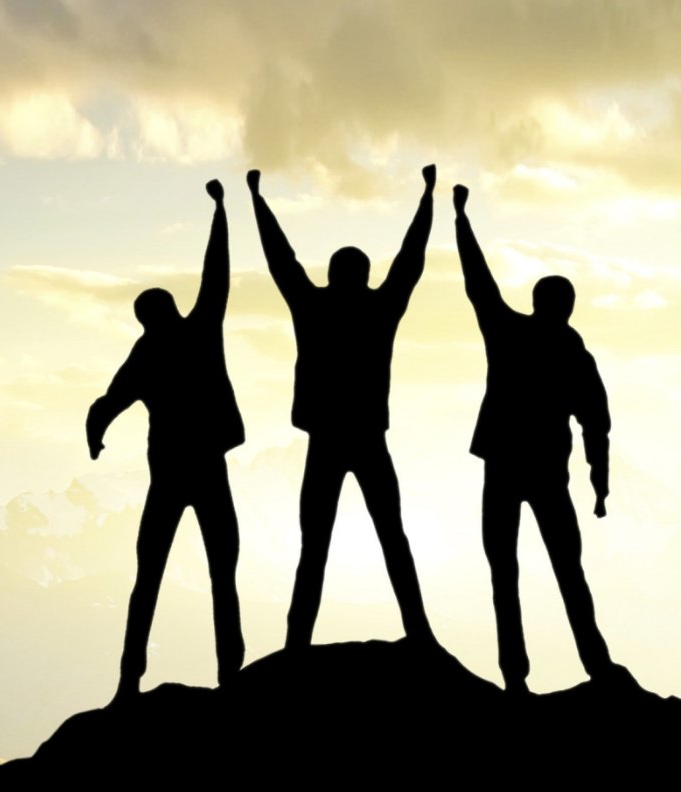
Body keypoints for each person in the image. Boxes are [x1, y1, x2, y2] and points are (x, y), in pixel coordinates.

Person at [247, 165, 439, 649]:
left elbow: (280, 259)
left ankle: (297, 644)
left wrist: (257, 199)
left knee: (314, 547)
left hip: (327, 441)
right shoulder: (381, 308)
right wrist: (426, 197)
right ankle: (419, 632)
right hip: (368, 440)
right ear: (365, 276)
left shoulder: (311, 306)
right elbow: (410, 260)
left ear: (332, 275)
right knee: (392, 537)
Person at [452, 184, 633, 693]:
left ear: (536, 303)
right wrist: (599, 484)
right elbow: (596, 425)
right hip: (548, 473)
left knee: (504, 574)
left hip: (505, 468)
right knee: (566, 571)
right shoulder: (575, 356)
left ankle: (516, 678)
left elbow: (477, 282)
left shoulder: (508, 333)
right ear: (568, 308)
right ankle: (595, 664)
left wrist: (460, 219)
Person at [88, 178, 245, 703]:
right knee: (222, 574)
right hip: (206, 471)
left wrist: (96, 435)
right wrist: (220, 212)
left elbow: (106, 404)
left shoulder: (146, 352)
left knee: (148, 578)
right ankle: (231, 678)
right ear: (170, 308)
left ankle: (128, 683)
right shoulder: (198, 329)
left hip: (170, 478)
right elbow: (217, 274)